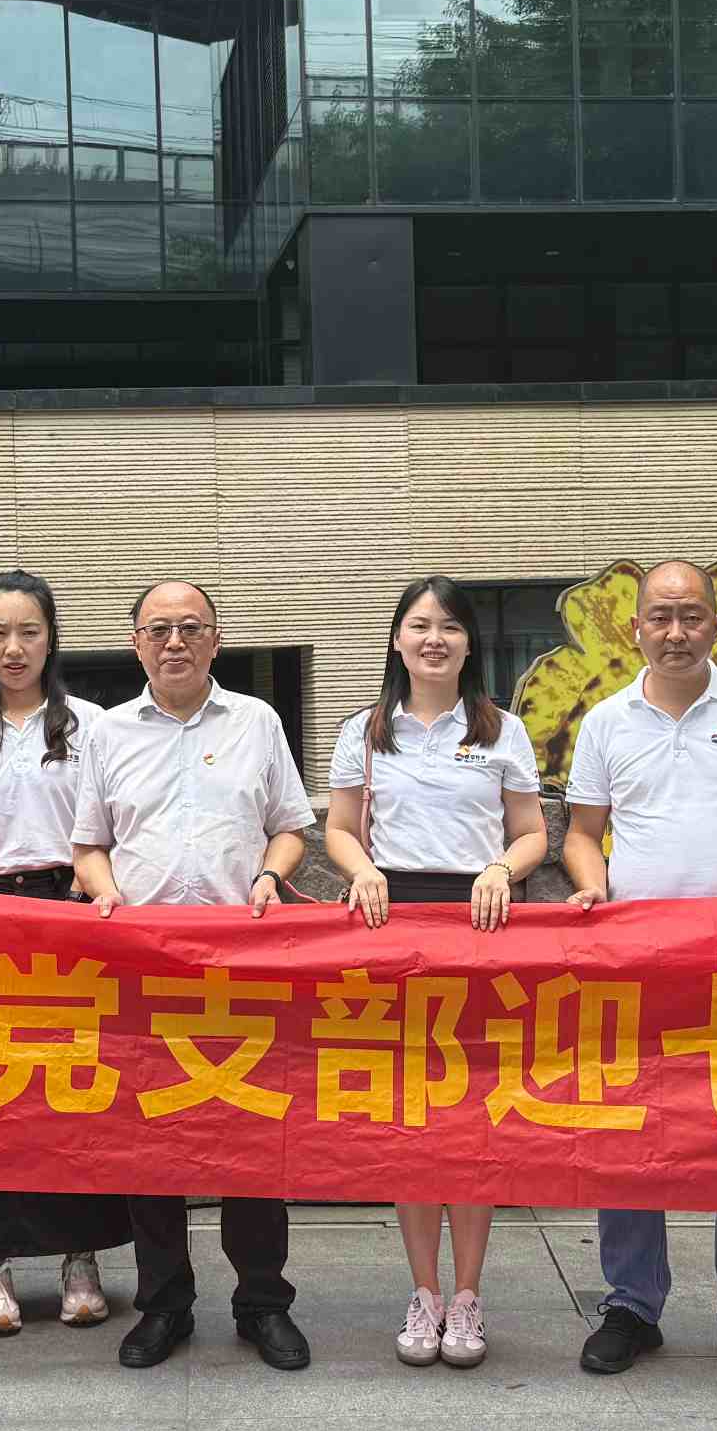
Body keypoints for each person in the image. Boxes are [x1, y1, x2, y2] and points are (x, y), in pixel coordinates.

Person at [561, 558, 717, 1389]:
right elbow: (581, 832)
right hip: (638, 962)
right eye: (660, 617)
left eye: (691, 616)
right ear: (635, 626)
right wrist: (592, 886)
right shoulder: (606, 721)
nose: (676, 632)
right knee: (630, 1128)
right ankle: (632, 1304)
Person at [73, 580, 313, 1371]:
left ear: (216, 640)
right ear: (135, 644)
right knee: (151, 1145)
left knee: (252, 1138)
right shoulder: (107, 732)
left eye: (190, 628)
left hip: (241, 967)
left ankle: (262, 1303)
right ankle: (164, 1304)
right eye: (158, 630)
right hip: (145, 969)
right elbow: (89, 845)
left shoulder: (257, 721)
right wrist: (106, 895)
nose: (174, 642)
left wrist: (270, 877)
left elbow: (290, 827)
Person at [321, 573, 548, 1370]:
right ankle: (423, 1291)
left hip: (480, 923)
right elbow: (339, 827)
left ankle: (469, 1295)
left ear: (468, 643)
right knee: (413, 1118)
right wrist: (361, 869)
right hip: (394, 925)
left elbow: (531, 832)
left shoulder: (501, 729)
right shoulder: (365, 731)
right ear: (397, 639)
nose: (434, 639)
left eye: (449, 626)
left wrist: (501, 867)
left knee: (473, 1116)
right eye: (419, 625)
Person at [0, 571, 131, 1335]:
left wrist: (82, 899)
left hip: (73, 913)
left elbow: (104, 829)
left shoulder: (92, 726)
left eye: (29, 633)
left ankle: (81, 1259)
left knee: (74, 1091)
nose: (13, 648)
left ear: (52, 640)